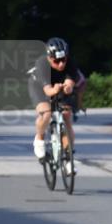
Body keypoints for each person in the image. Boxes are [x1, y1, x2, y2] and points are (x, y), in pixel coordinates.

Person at [28, 38, 81, 168]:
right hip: (40, 87)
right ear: (49, 57)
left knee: (66, 115)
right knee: (46, 112)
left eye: (64, 60)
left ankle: (68, 157)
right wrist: (55, 89)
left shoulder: (70, 64)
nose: (61, 64)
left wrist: (68, 87)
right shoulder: (42, 64)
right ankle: (39, 139)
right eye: (57, 61)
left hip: (59, 86)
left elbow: (70, 83)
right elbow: (48, 91)